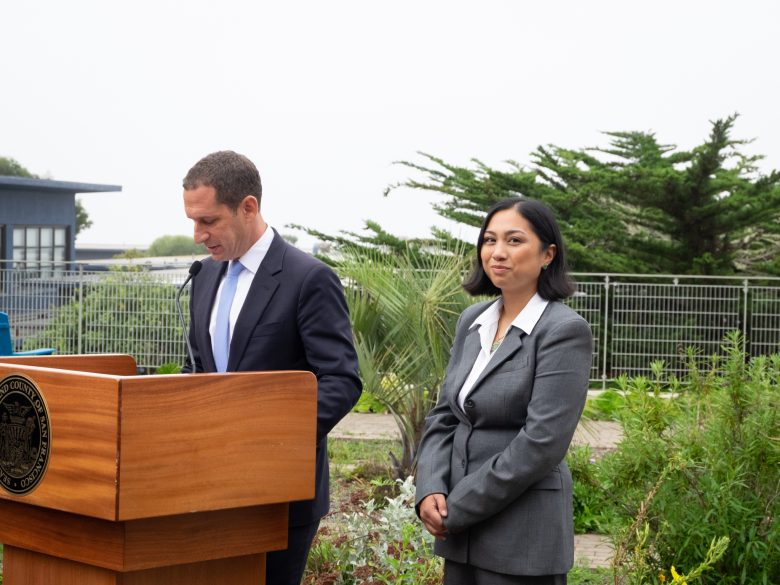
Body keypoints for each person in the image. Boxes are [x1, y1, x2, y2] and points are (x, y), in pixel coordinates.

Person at [180, 150, 362, 585]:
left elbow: (340, 379)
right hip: (207, 490)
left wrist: (269, 443)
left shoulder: (309, 278)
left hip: (280, 495)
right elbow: (199, 369)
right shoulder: (204, 275)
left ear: (248, 207)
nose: (197, 235)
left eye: (208, 221)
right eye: (192, 220)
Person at [415, 197, 593, 585]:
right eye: (489, 240)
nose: (497, 253)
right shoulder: (472, 321)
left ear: (547, 254)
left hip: (522, 537)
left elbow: (542, 442)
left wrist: (457, 506)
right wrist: (428, 488)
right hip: (461, 537)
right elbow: (446, 414)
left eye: (514, 241)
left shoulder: (563, 331)